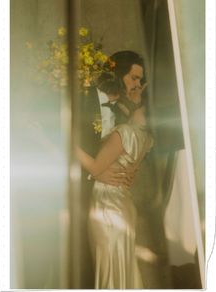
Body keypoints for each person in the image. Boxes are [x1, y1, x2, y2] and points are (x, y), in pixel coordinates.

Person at [77, 51, 154, 289]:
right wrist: (96, 173)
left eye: (140, 81)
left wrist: (126, 172)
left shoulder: (125, 115)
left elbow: (128, 152)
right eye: (133, 78)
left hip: (107, 204)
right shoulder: (81, 97)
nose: (137, 85)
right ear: (117, 74)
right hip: (76, 195)